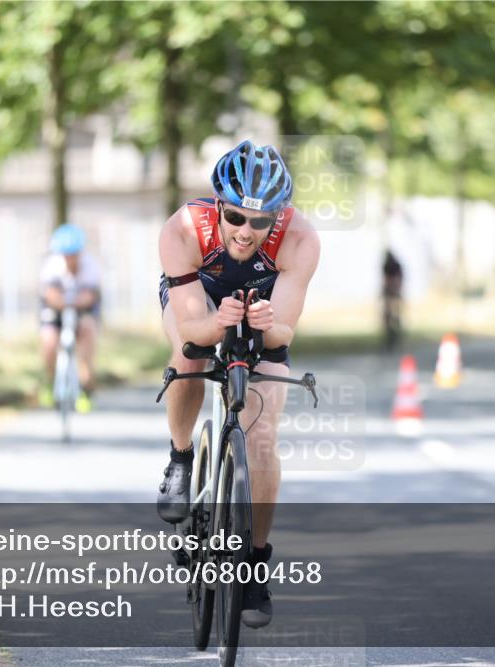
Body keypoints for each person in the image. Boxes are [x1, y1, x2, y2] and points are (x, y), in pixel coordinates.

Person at [156, 140, 320, 628]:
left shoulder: (300, 240)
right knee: (189, 356)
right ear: (219, 207)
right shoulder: (183, 229)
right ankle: (182, 458)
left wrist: (266, 326)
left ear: (278, 217)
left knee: (264, 438)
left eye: (260, 221)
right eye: (235, 217)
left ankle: (253, 565)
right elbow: (191, 327)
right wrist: (215, 325)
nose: (245, 232)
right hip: (199, 295)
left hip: (265, 303)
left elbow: (284, 332)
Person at [38, 223, 101, 413]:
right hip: (55, 310)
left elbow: (91, 296)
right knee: (49, 341)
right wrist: (65, 303)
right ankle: (50, 383)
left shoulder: (90, 266)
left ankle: (86, 387)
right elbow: (49, 294)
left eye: (73, 254)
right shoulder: (51, 266)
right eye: (66, 254)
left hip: (83, 310)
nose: (69, 258)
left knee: (87, 331)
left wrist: (72, 303)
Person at [382, 249, 404, 351]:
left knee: (395, 316)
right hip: (389, 292)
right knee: (388, 316)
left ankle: (396, 337)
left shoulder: (395, 265)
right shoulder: (386, 265)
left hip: (394, 292)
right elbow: (386, 279)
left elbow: (398, 279)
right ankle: (390, 338)